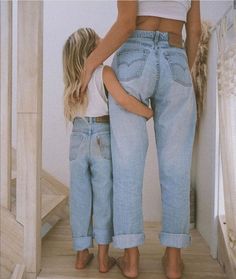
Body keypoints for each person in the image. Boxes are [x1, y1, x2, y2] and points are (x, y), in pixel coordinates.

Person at [80, 1, 201, 278]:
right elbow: (194, 31)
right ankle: (173, 262)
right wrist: (181, 72)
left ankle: (131, 261)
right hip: (176, 56)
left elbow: (126, 24)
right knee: (176, 168)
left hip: (135, 56)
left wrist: (90, 63)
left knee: (127, 167)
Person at [62, 27, 153, 274]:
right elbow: (123, 99)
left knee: (80, 197)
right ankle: (103, 259)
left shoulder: (72, 79)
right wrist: (147, 112)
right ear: (91, 49)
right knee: (104, 197)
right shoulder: (104, 72)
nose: (104, 42)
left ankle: (81, 255)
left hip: (78, 137)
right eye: (98, 40)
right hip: (102, 136)